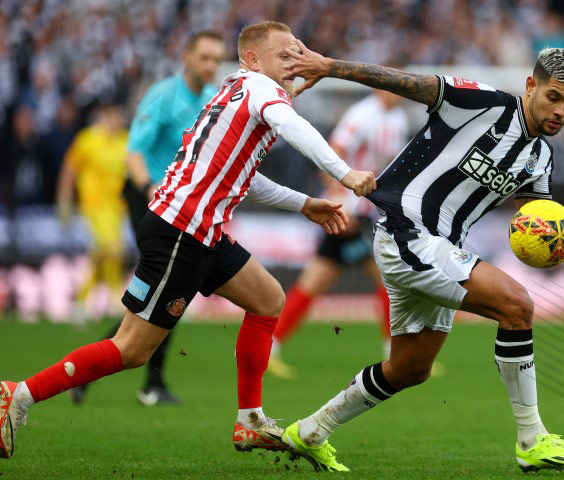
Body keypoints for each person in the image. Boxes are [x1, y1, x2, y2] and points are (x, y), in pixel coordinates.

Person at [0, 20, 377, 460]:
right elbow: (294, 128)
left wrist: (304, 203)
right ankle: (17, 394)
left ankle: (250, 421)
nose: (295, 63)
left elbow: (244, 178)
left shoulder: (234, 90)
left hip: (198, 229)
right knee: (132, 349)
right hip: (182, 231)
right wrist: (345, 174)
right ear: (253, 59)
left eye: (298, 53)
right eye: (285, 55)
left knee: (267, 298)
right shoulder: (261, 90)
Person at [276, 46, 564, 472]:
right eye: (554, 96)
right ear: (530, 85)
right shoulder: (479, 102)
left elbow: (543, 231)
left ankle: (309, 431)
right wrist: (330, 66)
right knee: (517, 304)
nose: (561, 110)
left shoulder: (539, 159)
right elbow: (403, 81)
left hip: (440, 248)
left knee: (410, 368)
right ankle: (532, 439)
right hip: (407, 231)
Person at [69, 31, 226, 407]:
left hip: (179, 205)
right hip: (149, 200)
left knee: (166, 293)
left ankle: (94, 370)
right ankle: (140, 382)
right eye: (204, 57)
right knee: (168, 290)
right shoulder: (163, 96)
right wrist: (149, 189)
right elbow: (134, 151)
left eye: (216, 59)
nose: (210, 65)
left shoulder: (209, 99)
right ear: (186, 56)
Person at [269, 89, 409, 378]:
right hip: (348, 212)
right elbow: (333, 153)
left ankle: (269, 348)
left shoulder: (397, 119)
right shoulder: (362, 115)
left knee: (315, 282)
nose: (400, 96)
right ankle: (397, 355)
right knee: (389, 279)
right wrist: (340, 201)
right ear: (382, 89)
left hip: (366, 213)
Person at [56, 103, 128, 319]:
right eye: (114, 116)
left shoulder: (124, 140)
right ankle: (116, 300)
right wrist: (64, 200)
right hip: (94, 206)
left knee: (103, 253)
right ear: (104, 117)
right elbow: (69, 170)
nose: (118, 121)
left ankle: (80, 300)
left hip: (116, 207)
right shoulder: (87, 140)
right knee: (112, 248)